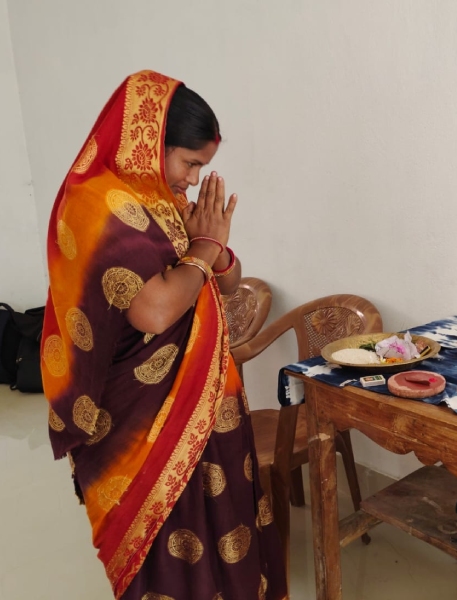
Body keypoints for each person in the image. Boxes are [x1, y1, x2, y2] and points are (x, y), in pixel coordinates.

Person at [42, 71, 287, 600]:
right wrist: (202, 251)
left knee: (225, 529)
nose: (195, 180)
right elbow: (154, 311)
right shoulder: (95, 204)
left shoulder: (160, 200)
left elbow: (219, 282)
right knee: (166, 547)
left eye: (203, 167)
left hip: (207, 405)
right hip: (138, 417)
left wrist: (213, 248)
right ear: (149, 142)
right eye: (191, 163)